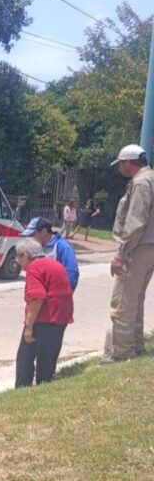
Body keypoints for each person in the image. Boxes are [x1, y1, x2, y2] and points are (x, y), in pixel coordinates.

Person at [102, 144, 154, 363]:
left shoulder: (141, 182)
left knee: (122, 302)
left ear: (129, 162)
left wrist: (120, 253)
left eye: (120, 164)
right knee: (136, 299)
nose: (119, 169)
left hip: (138, 247)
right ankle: (135, 345)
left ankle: (121, 354)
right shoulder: (150, 178)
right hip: (149, 247)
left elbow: (135, 222)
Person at [13, 238, 74, 387]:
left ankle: (22, 391)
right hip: (61, 318)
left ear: (26, 256)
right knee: (47, 360)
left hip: (44, 320)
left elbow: (37, 297)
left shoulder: (35, 267)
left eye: (18, 256)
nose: (17, 261)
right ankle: (44, 387)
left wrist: (29, 327)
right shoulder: (55, 264)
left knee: (25, 359)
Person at [20, 216, 79, 291]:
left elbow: (72, 273)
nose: (30, 239)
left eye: (32, 235)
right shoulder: (37, 247)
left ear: (44, 232)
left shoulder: (62, 246)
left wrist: (62, 295)